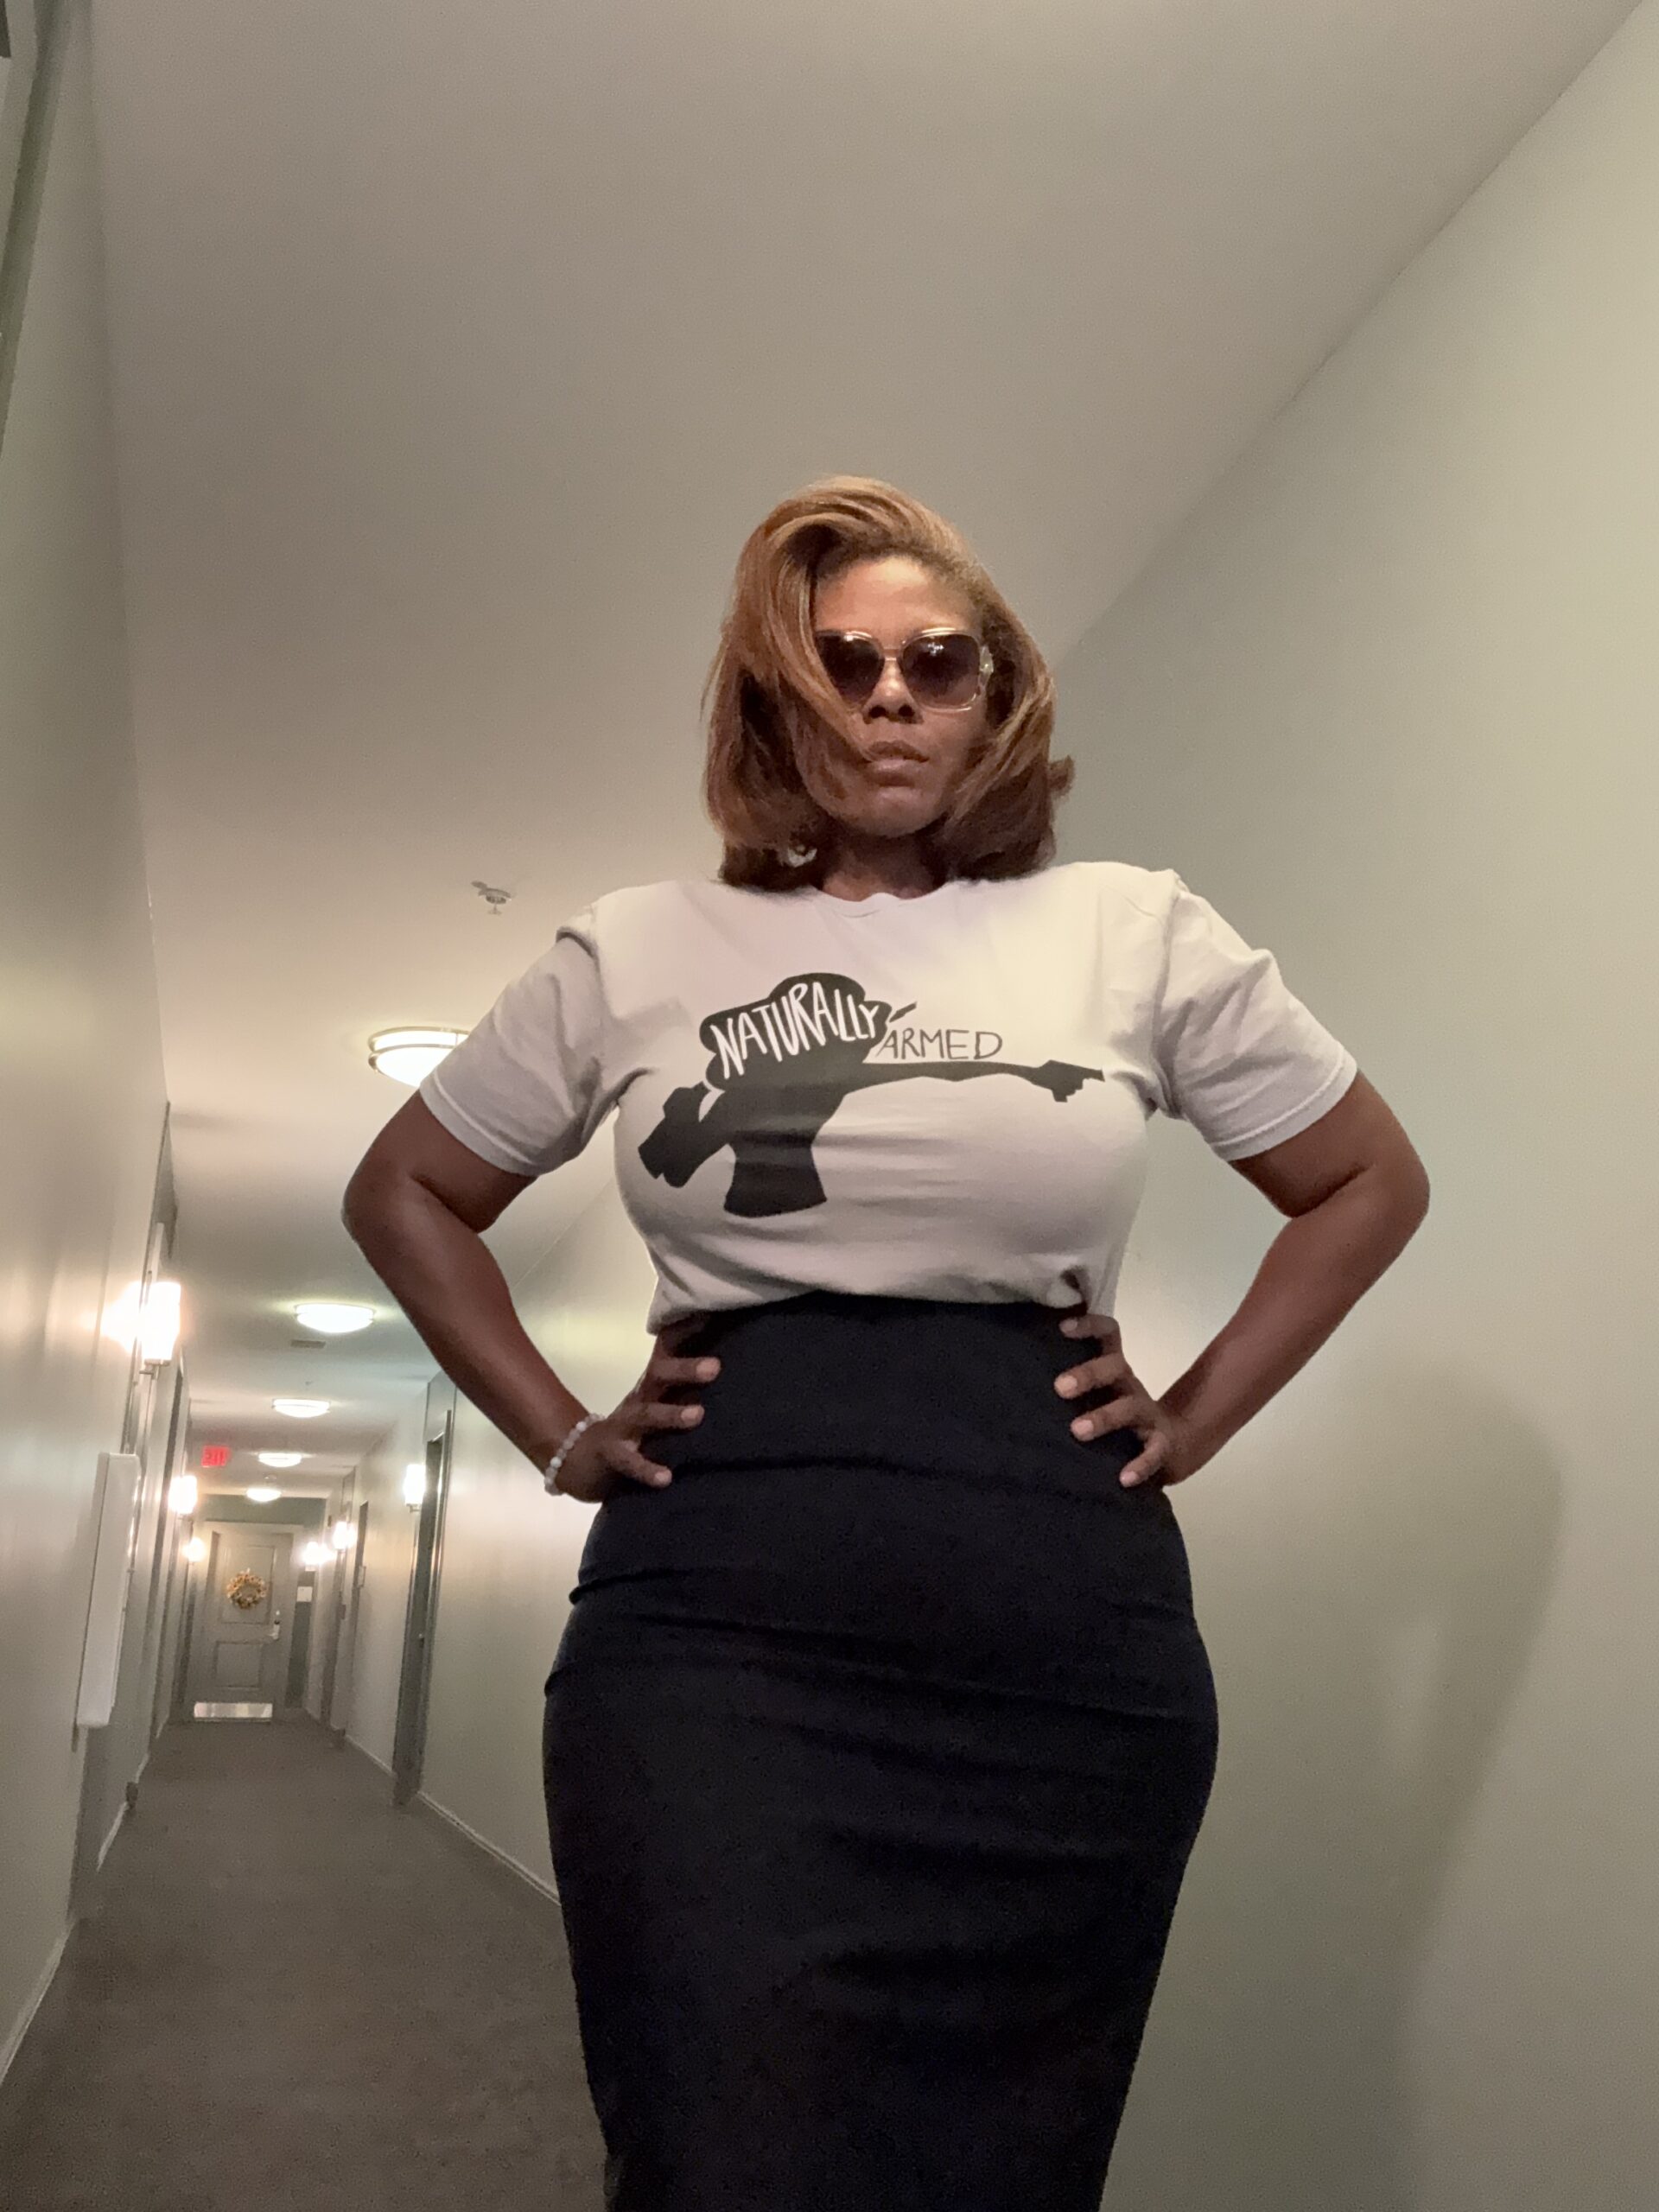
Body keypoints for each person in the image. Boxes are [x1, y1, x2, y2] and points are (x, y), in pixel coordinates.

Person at [342, 475, 1429, 2209]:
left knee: (1009, 2162)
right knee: (716, 2142)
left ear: (999, 692)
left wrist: (1202, 1412)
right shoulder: (639, 947)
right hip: (712, 1632)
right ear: (777, 705)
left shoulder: (1132, 928)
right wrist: (558, 1428)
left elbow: (1367, 1177)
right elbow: (406, 1189)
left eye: (938, 661)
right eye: (840, 665)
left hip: (1059, 1643)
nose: (891, 698)